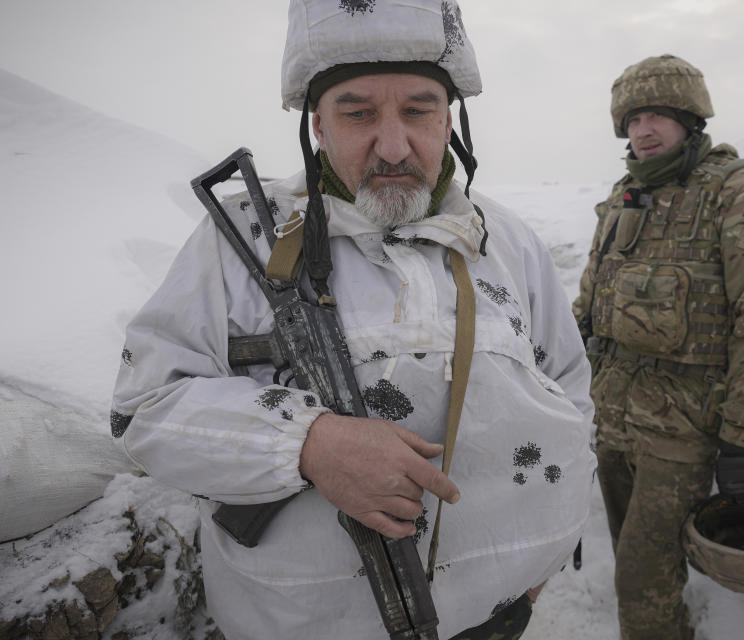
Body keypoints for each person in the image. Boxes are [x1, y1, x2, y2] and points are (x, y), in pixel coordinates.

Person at [110, 2, 596, 639]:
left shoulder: (507, 240)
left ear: (450, 119)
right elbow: (144, 408)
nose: (392, 146)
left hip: (495, 615)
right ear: (317, 124)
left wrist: (542, 557)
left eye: (419, 110)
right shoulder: (242, 239)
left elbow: (569, 390)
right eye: (358, 112)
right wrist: (307, 444)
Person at [572, 54, 744, 640]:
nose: (643, 130)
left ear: (690, 120)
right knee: (635, 559)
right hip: (615, 414)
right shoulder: (626, 195)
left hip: (683, 428)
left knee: (641, 579)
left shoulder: (739, 193)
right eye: (634, 118)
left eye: (658, 116)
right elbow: (591, 303)